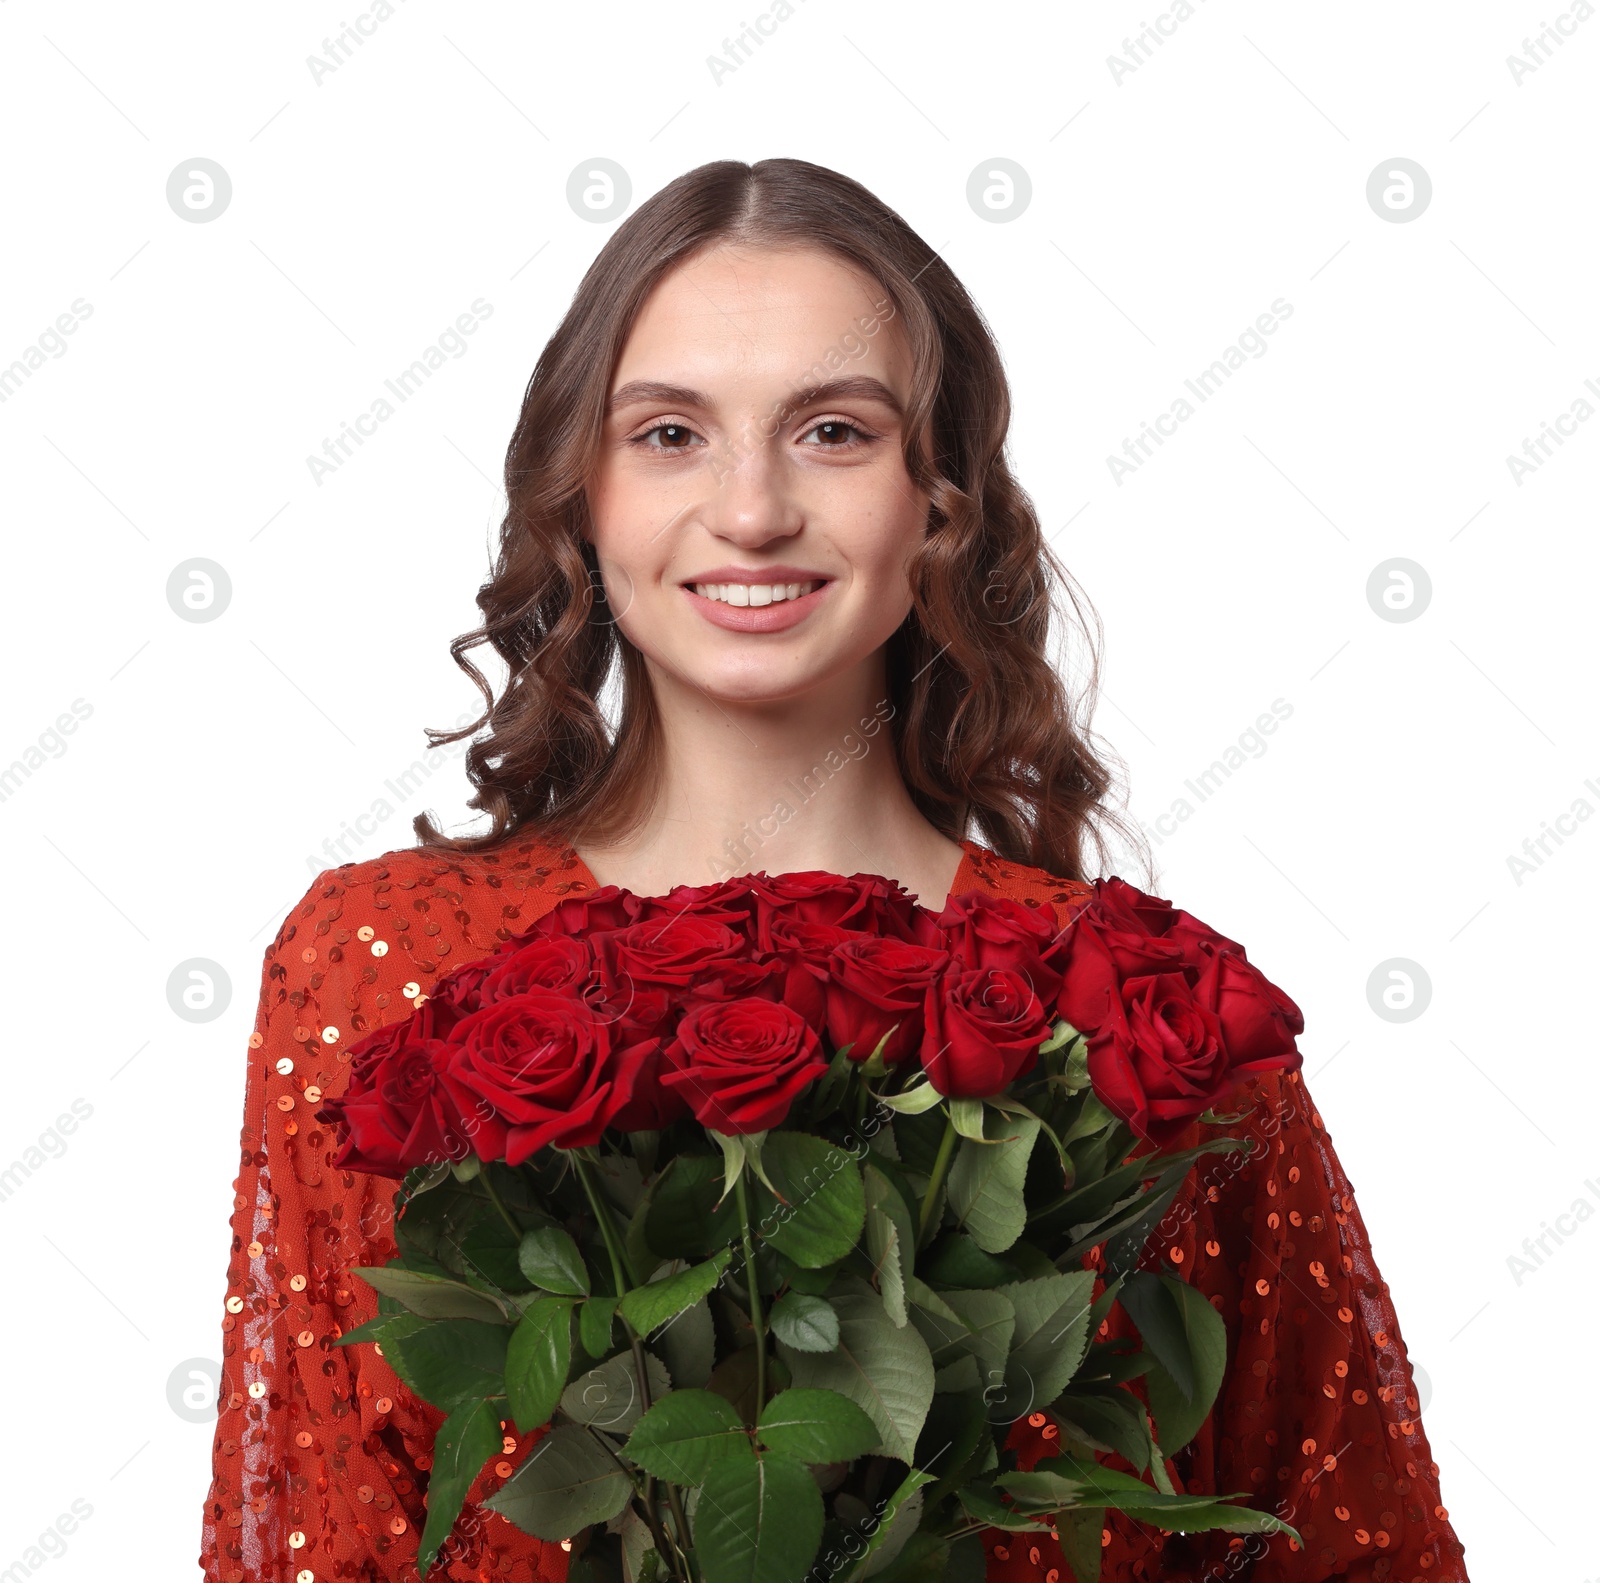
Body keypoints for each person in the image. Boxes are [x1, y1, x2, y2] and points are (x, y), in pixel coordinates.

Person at [199, 159, 1468, 1583]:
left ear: (941, 504)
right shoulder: (378, 960)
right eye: (672, 432)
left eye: (834, 433)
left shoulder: (1146, 1012)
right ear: (584, 493)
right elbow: (310, 1514)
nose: (751, 511)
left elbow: (1346, 1532)